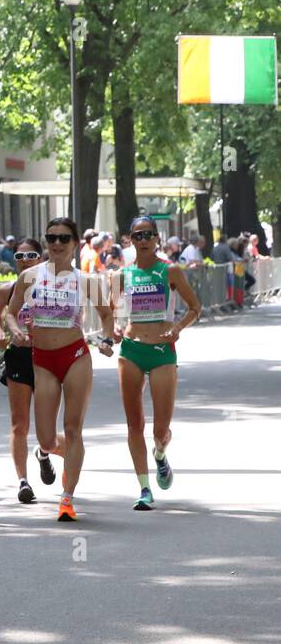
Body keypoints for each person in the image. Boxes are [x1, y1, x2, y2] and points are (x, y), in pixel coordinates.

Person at [4, 217, 116, 522]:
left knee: (72, 428)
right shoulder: (29, 277)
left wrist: (106, 340)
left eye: (64, 238)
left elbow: (107, 316)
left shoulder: (87, 281)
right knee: (46, 439)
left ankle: (67, 497)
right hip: (42, 360)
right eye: (51, 238)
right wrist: (14, 330)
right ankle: (53, 453)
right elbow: (10, 313)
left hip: (75, 355)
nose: (56, 244)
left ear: (75, 244)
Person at [110, 216, 202, 510]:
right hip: (131, 350)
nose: (144, 240)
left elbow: (195, 308)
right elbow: (111, 311)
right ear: (130, 240)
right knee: (134, 424)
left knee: (160, 430)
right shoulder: (123, 275)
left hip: (162, 351)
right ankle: (144, 488)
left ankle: (160, 454)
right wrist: (111, 327)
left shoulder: (169, 270)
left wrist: (176, 328)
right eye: (138, 235)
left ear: (157, 239)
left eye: (148, 234)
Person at [0, 238, 45, 504]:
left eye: (31, 255)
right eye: (20, 256)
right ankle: (23, 481)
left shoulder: (50, 285)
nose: (25, 260)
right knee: (19, 423)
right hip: (19, 356)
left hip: (47, 356)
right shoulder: (7, 289)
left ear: (41, 259)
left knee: (46, 426)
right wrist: (2, 333)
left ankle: (44, 452)